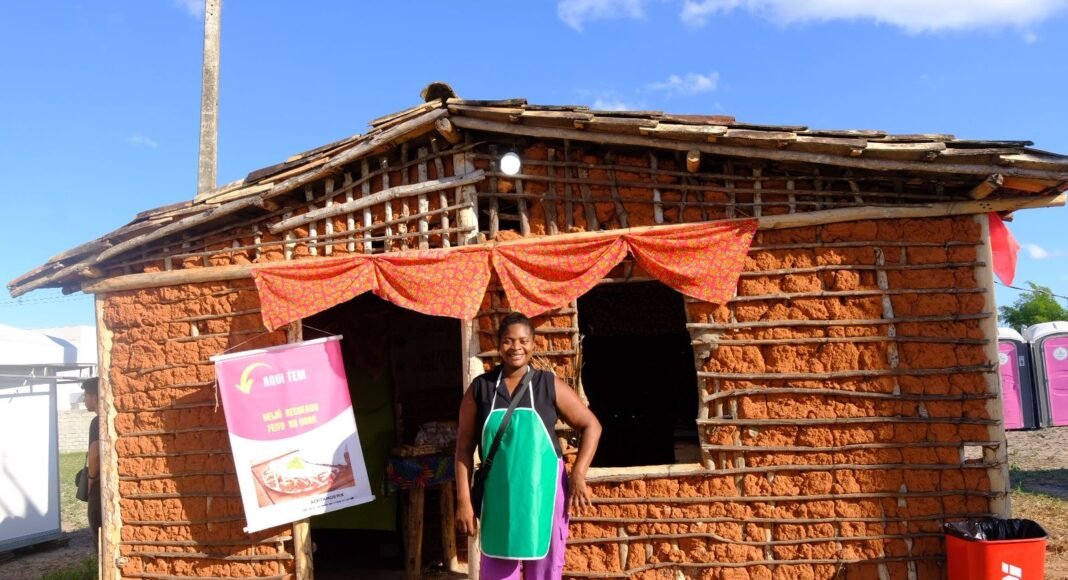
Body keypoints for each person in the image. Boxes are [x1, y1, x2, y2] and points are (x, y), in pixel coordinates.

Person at [455, 312, 602, 580]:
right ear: (499, 344)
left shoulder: (547, 385)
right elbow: (464, 447)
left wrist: (578, 473)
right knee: (498, 572)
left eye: (523, 341)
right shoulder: (481, 389)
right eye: (509, 341)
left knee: (544, 573)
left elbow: (592, 425)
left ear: (533, 344)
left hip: (544, 497)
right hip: (498, 499)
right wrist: (464, 501)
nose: (516, 348)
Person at [82, 377, 102, 553]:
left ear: (95, 397)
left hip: (99, 488)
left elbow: (95, 454)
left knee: (99, 538)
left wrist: (90, 480)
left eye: (86, 395)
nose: (83, 400)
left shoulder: (97, 422)